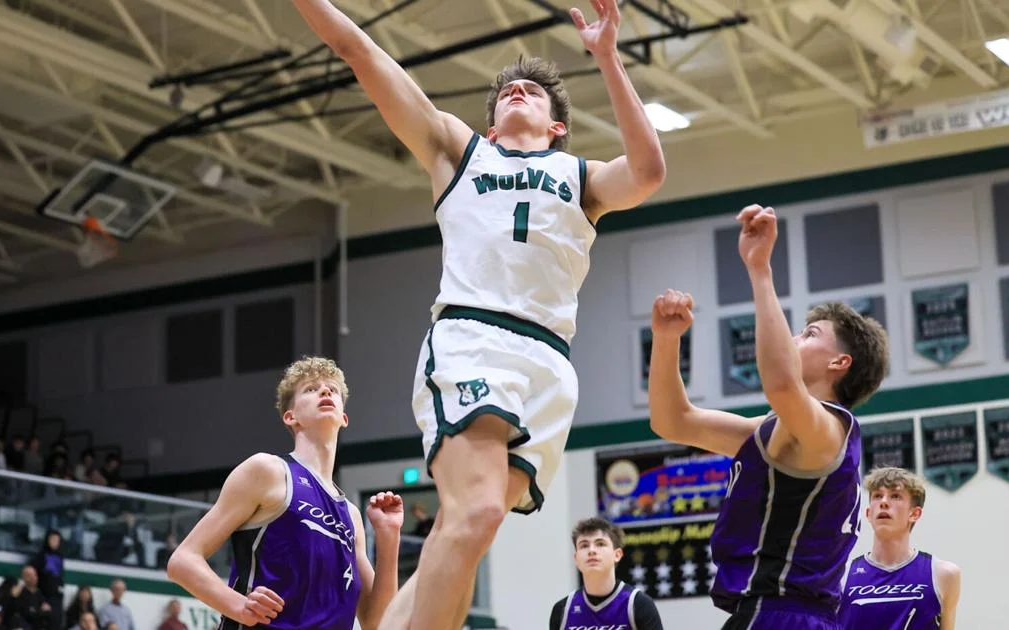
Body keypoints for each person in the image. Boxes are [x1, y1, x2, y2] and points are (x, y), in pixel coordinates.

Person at [287, 1, 666, 627]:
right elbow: (359, 50)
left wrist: (606, 56)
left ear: (557, 128)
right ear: (489, 127)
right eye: (508, 93)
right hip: (474, 338)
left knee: (467, 534)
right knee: (477, 514)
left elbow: (650, 171)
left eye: (536, 94)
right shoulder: (457, 152)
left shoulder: (583, 178)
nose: (519, 91)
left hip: (550, 364)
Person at [646, 205, 890, 630]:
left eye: (810, 333)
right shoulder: (774, 431)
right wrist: (667, 341)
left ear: (840, 362)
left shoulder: (827, 430)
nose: (796, 337)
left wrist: (760, 269)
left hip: (781, 615)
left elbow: (780, 383)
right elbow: (674, 421)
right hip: (769, 614)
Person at [167, 357, 405, 629]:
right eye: (311, 389)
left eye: (332, 389)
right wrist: (239, 606)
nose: (325, 391)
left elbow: (376, 620)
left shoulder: (350, 514)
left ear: (344, 418)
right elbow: (183, 561)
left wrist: (389, 538)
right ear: (291, 417)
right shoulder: (267, 471)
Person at [838, 467, 961, 629]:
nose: (883, 502)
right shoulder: (841, 577)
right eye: (877, 496)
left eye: (895, 496)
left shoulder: (944, 574)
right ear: (868, 513)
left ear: (914, 514)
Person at [549, 517, 663, 630]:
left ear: (617, 555)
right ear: (576, 559)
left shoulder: (638, 604)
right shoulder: (562, 610)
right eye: (584, 545)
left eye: (600, 544)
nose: (591, 550)